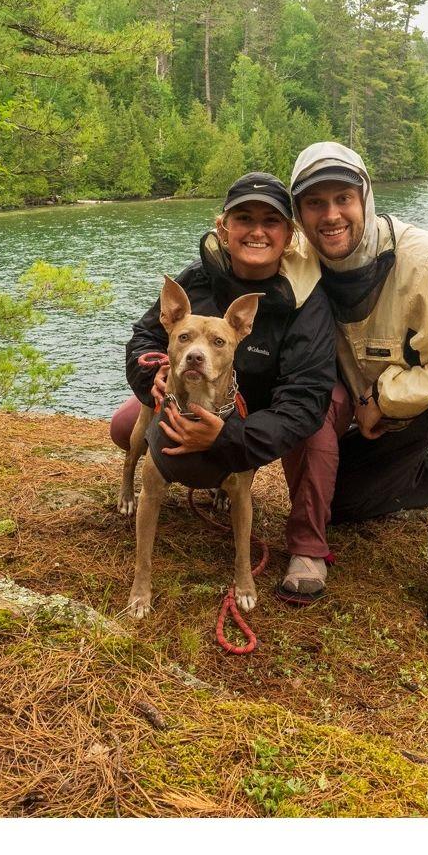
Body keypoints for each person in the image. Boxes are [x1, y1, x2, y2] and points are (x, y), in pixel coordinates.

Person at [289, 142, 428, 633]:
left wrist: (381, 399)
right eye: (315, 203)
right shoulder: (303, 261)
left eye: (343, 199)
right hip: (390, 415)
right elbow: (245, 249)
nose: (331, 216)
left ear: (366, 198)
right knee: (341, 505)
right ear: (299, 213)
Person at [110, 171, 345, 601]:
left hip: (269, 410)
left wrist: (232, 437)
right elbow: (144, 337)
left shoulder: (306, 294)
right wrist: (152, 373)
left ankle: (308, 546)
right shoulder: (197, 279)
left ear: (289, 235)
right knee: (127, 425)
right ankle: (147, 483)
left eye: (270, 221)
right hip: (198, 396)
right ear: (224, 227)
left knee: (318, 423)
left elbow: (306, 395)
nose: (256, 231)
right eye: (244, 219)